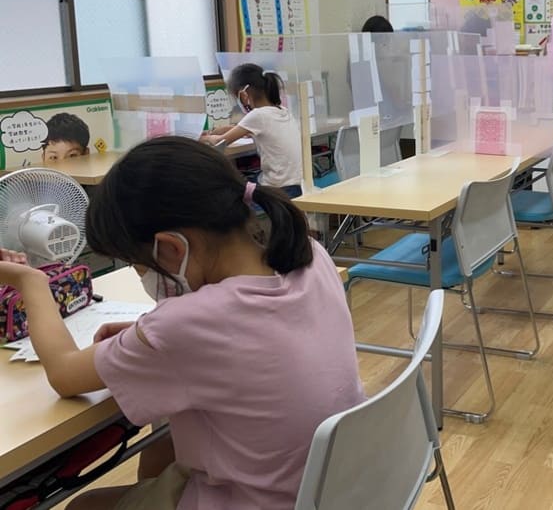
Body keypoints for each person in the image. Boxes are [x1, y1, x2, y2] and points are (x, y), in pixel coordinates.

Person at [0, 137, 365, 509]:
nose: (142, 275)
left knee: (85, 505)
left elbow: (64, 373)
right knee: (164, 446)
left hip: (262, 501)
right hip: (332, 487)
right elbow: (244, 335)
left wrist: (31, 282)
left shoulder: (184, 325)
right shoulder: (310, 256)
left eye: (138, 265)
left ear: (172, 248)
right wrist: (150, 336)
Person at [203, 63, 304, 198]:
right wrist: (222, 130)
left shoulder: (258, 115)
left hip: (278, 188)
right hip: (297, 185)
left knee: (233, 188)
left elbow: (220, 142)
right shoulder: (282, 111)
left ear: (244, 94)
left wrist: (203, 137)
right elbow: (248, 130)